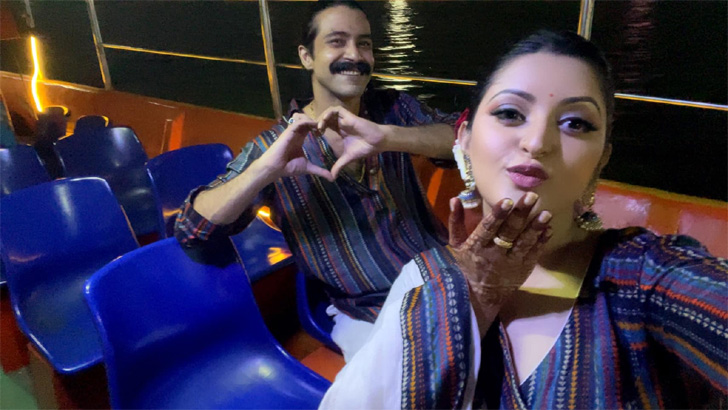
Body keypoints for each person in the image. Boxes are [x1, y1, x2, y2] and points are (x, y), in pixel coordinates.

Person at [319, 30, 727, 409]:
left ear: (602, 157)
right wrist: (474, 295)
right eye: (511, 113)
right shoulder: (425, 276)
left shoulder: (643, 278)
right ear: (463, 140)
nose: (537, 142)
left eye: (575, 123)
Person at [174, 0, 459, 361]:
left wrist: (390, 137)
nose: (354, 55)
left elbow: (463, 139)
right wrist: (265, 170)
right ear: (306, 56)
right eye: (337, 41)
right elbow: (192, 229)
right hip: (371, 312)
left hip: (448, 276)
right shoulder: (276, 145)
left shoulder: (394, 110)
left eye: (364, 43)